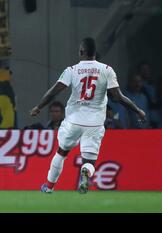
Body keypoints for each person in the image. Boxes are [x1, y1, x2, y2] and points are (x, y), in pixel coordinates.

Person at [30, 37, 146, 194]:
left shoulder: (72, 70)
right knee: (89, 161)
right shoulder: (106, 70)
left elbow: (54, 91)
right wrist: (137, 110)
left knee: (62, 152)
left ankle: (48, 187)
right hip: (95, 123)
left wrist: (39, 107)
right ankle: (85, 173)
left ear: (81, 52)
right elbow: (118, 97)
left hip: (73, 121)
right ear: (94, 53)